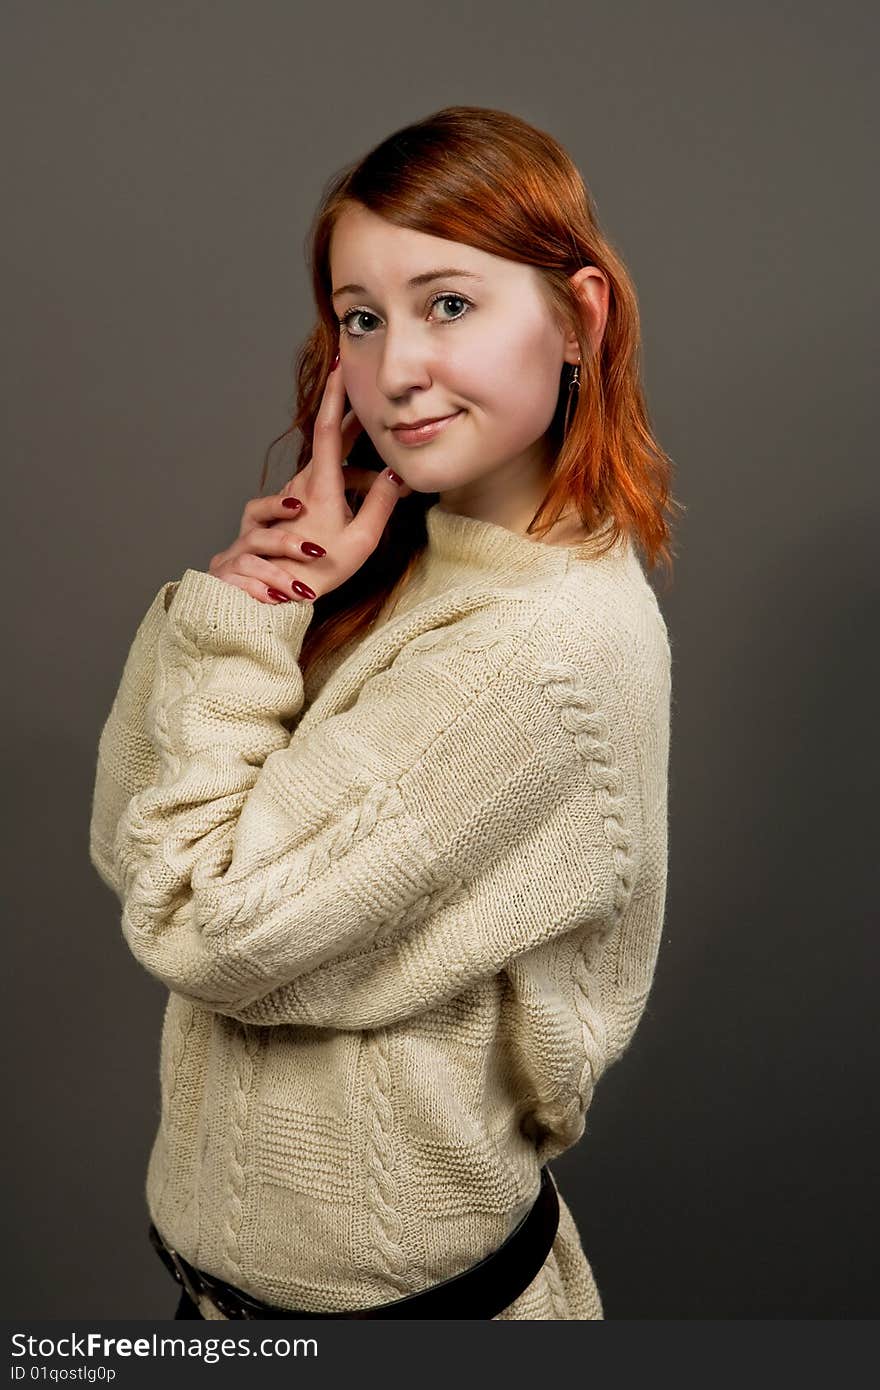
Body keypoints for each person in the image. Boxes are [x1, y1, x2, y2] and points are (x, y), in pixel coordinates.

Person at [89, 104, 681, 1321]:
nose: (394, 366)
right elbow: (132, 835)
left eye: (448, 303)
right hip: (241, 1300)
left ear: (580, 315)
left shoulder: (529, 655)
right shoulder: (426, 559)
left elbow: (194, 918)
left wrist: (243, 632)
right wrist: (256, 595)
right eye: (362, 317)